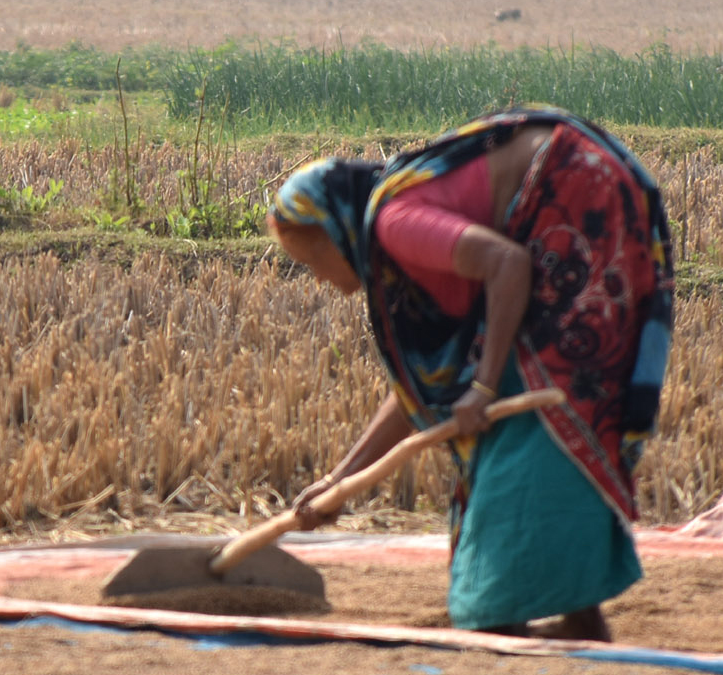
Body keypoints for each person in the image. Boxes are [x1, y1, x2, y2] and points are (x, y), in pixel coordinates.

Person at [270, 107, 675, 641]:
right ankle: (579, 616)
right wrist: (339, 483)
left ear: (333, 231)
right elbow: (426, 389)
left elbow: (509, 266)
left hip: (577, 192)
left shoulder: (393, 223)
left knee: (546, 398)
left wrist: (483, 387)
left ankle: (526, 610)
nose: (320, 279)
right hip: (572, 190)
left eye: (311, 261)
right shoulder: (394, 244)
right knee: (533, 390)